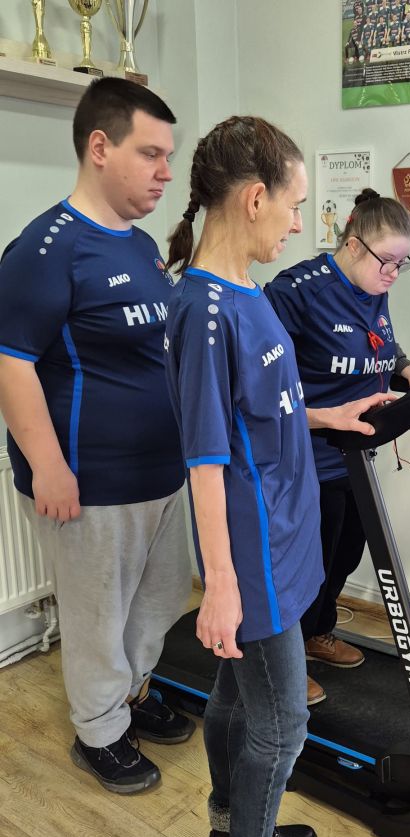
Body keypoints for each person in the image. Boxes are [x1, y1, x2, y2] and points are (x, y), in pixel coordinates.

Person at [164, 116, 390, 837]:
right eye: (295, 205)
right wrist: (221, 586)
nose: (299, 224)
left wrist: (331, 414)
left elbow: (260, 411)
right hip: (251, 554)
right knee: (284, 723)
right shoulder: (204, 312)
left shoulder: (246, 291)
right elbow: (204, 459)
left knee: (236, 697)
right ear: (255, 198)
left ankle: (230, 830)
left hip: (286, 536)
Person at [0, 77, 195, 794]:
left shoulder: (140, 245)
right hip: (90, 480)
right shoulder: (46, 248)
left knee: (161, 598)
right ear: (100, 147)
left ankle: (130, 691)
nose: (166, 172)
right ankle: (100, 732)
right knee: (96, 617)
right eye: (151, 153)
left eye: (169, 156)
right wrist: (48, 466)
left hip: (161, 470)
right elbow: (10, 363)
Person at [264, 189, 410, 706]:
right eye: (388, 261)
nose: (394, 274)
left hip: (356, 455)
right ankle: (287, 660)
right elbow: (261, 376)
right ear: (354, 245)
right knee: (307, 564)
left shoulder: (372, 285)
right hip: (306, 457)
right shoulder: (297, 291)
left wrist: (406, 367)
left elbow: (377, 340)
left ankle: (318, 632)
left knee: (345, 553)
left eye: (402, 264)